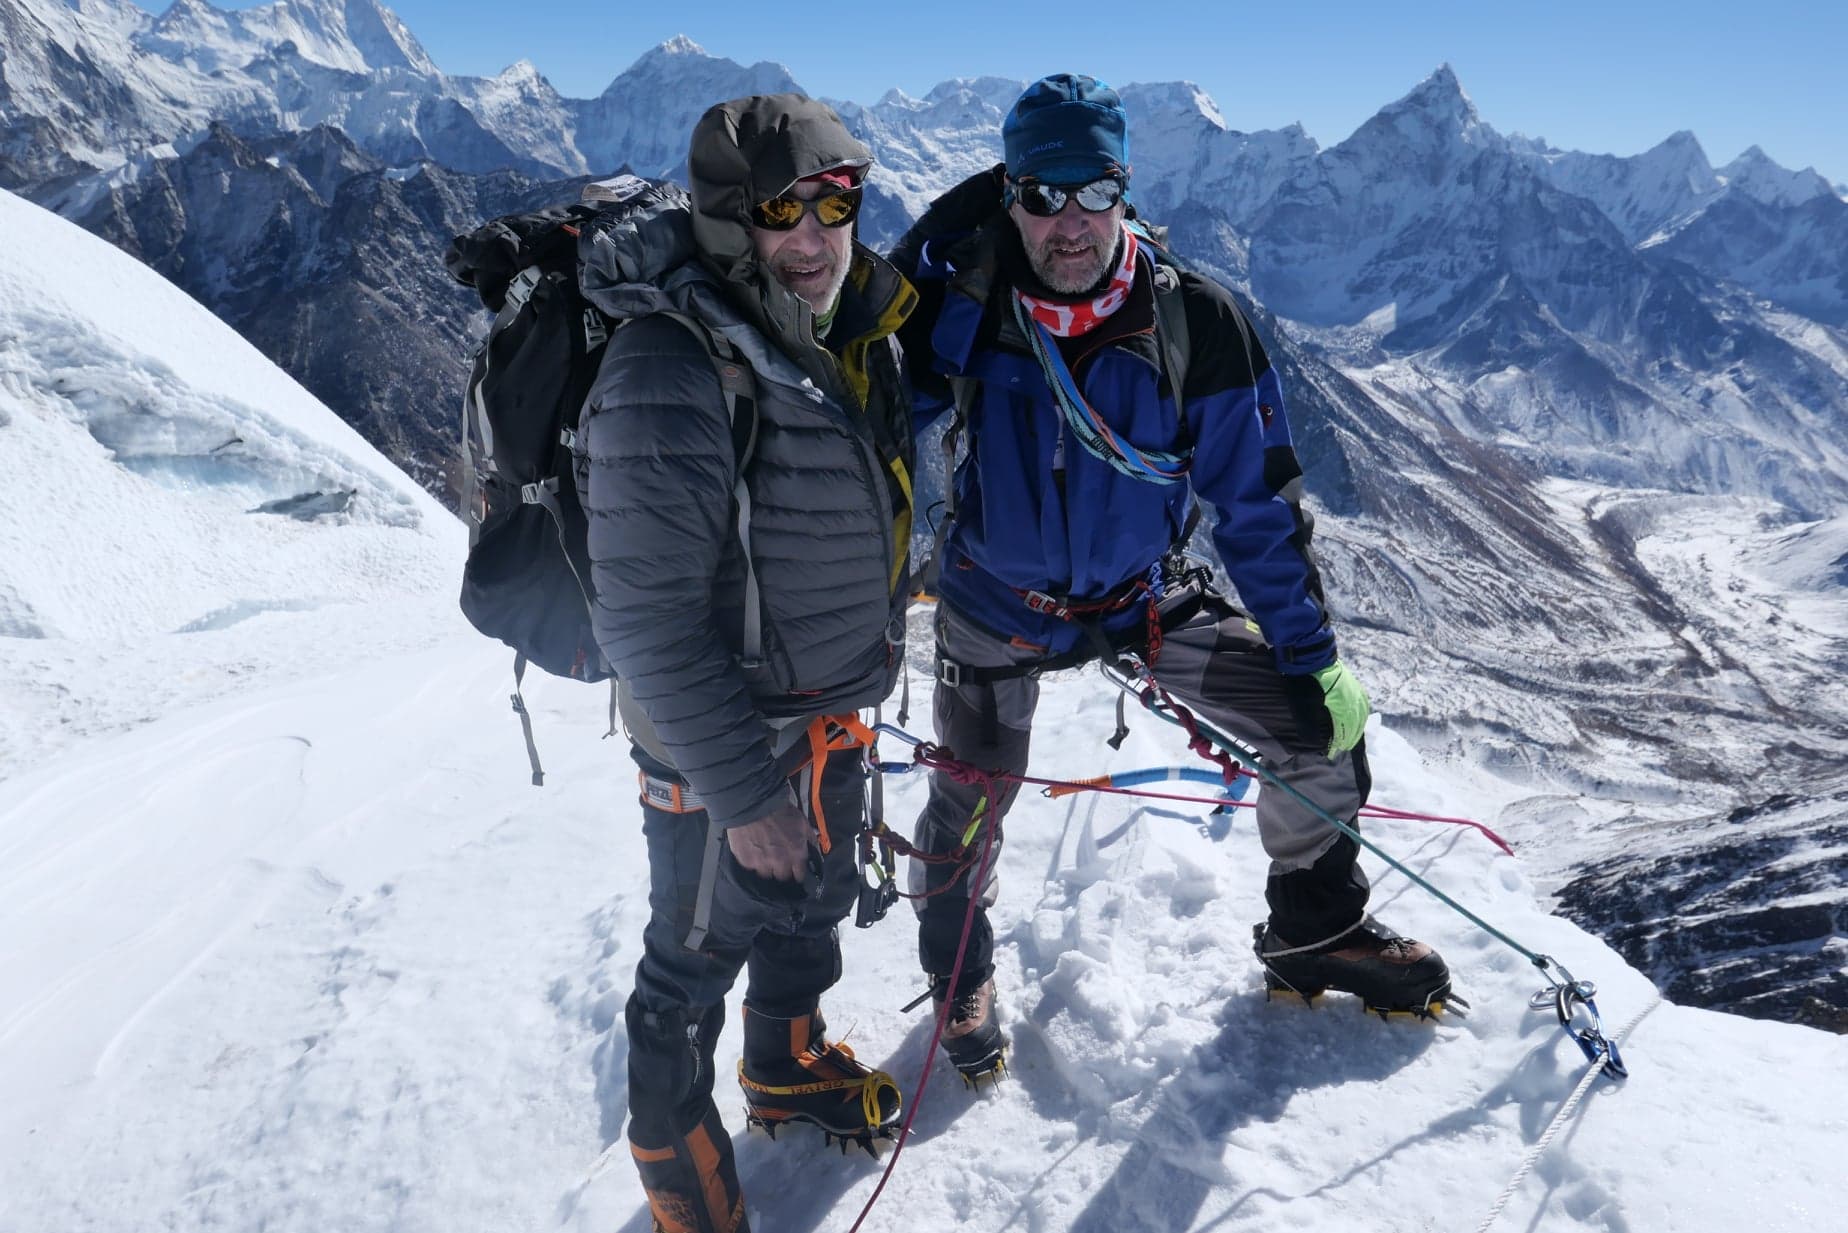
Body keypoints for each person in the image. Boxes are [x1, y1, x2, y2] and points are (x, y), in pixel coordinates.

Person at [887, 74, 1452, 1083]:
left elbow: (1256, 509)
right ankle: (959, 970)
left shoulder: (1198, 322)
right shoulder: (953, 306)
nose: (1069, 222)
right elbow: (877, 446)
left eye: (1092, 190)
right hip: (995, 607)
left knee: (1313, 730)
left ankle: (1314, 932)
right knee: (970, 796)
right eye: (1042, 193)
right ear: (1007, 194)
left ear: (1125, 188)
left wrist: (1310, 659)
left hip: (1144, 599)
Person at [576, 94, 916, 1233]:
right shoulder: (669, 366)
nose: (816, 235)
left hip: (823, 719)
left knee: (808, 910)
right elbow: (646, 621)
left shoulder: (824, 327)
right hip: (722, 755)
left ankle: (787, 1066)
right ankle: (690, 1202)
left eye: (837, 202)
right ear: (732, 221)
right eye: (784, 210)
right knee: (687, 974)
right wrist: (745, 794)